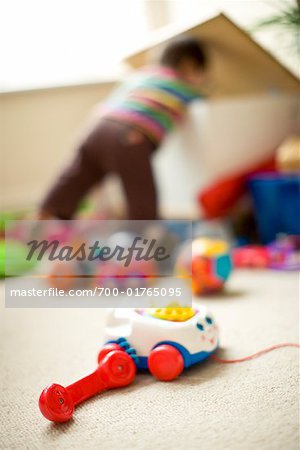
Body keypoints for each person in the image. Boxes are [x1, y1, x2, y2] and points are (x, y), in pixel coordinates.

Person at [39, 36, 208, 220]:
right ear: (189, 65)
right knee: (141, 195)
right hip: (129, 135)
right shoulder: (185, 88)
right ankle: (145, 241)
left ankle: (40, 221)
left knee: (72, 181)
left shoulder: (141, 75)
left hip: (97, 127)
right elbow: (206, 108)